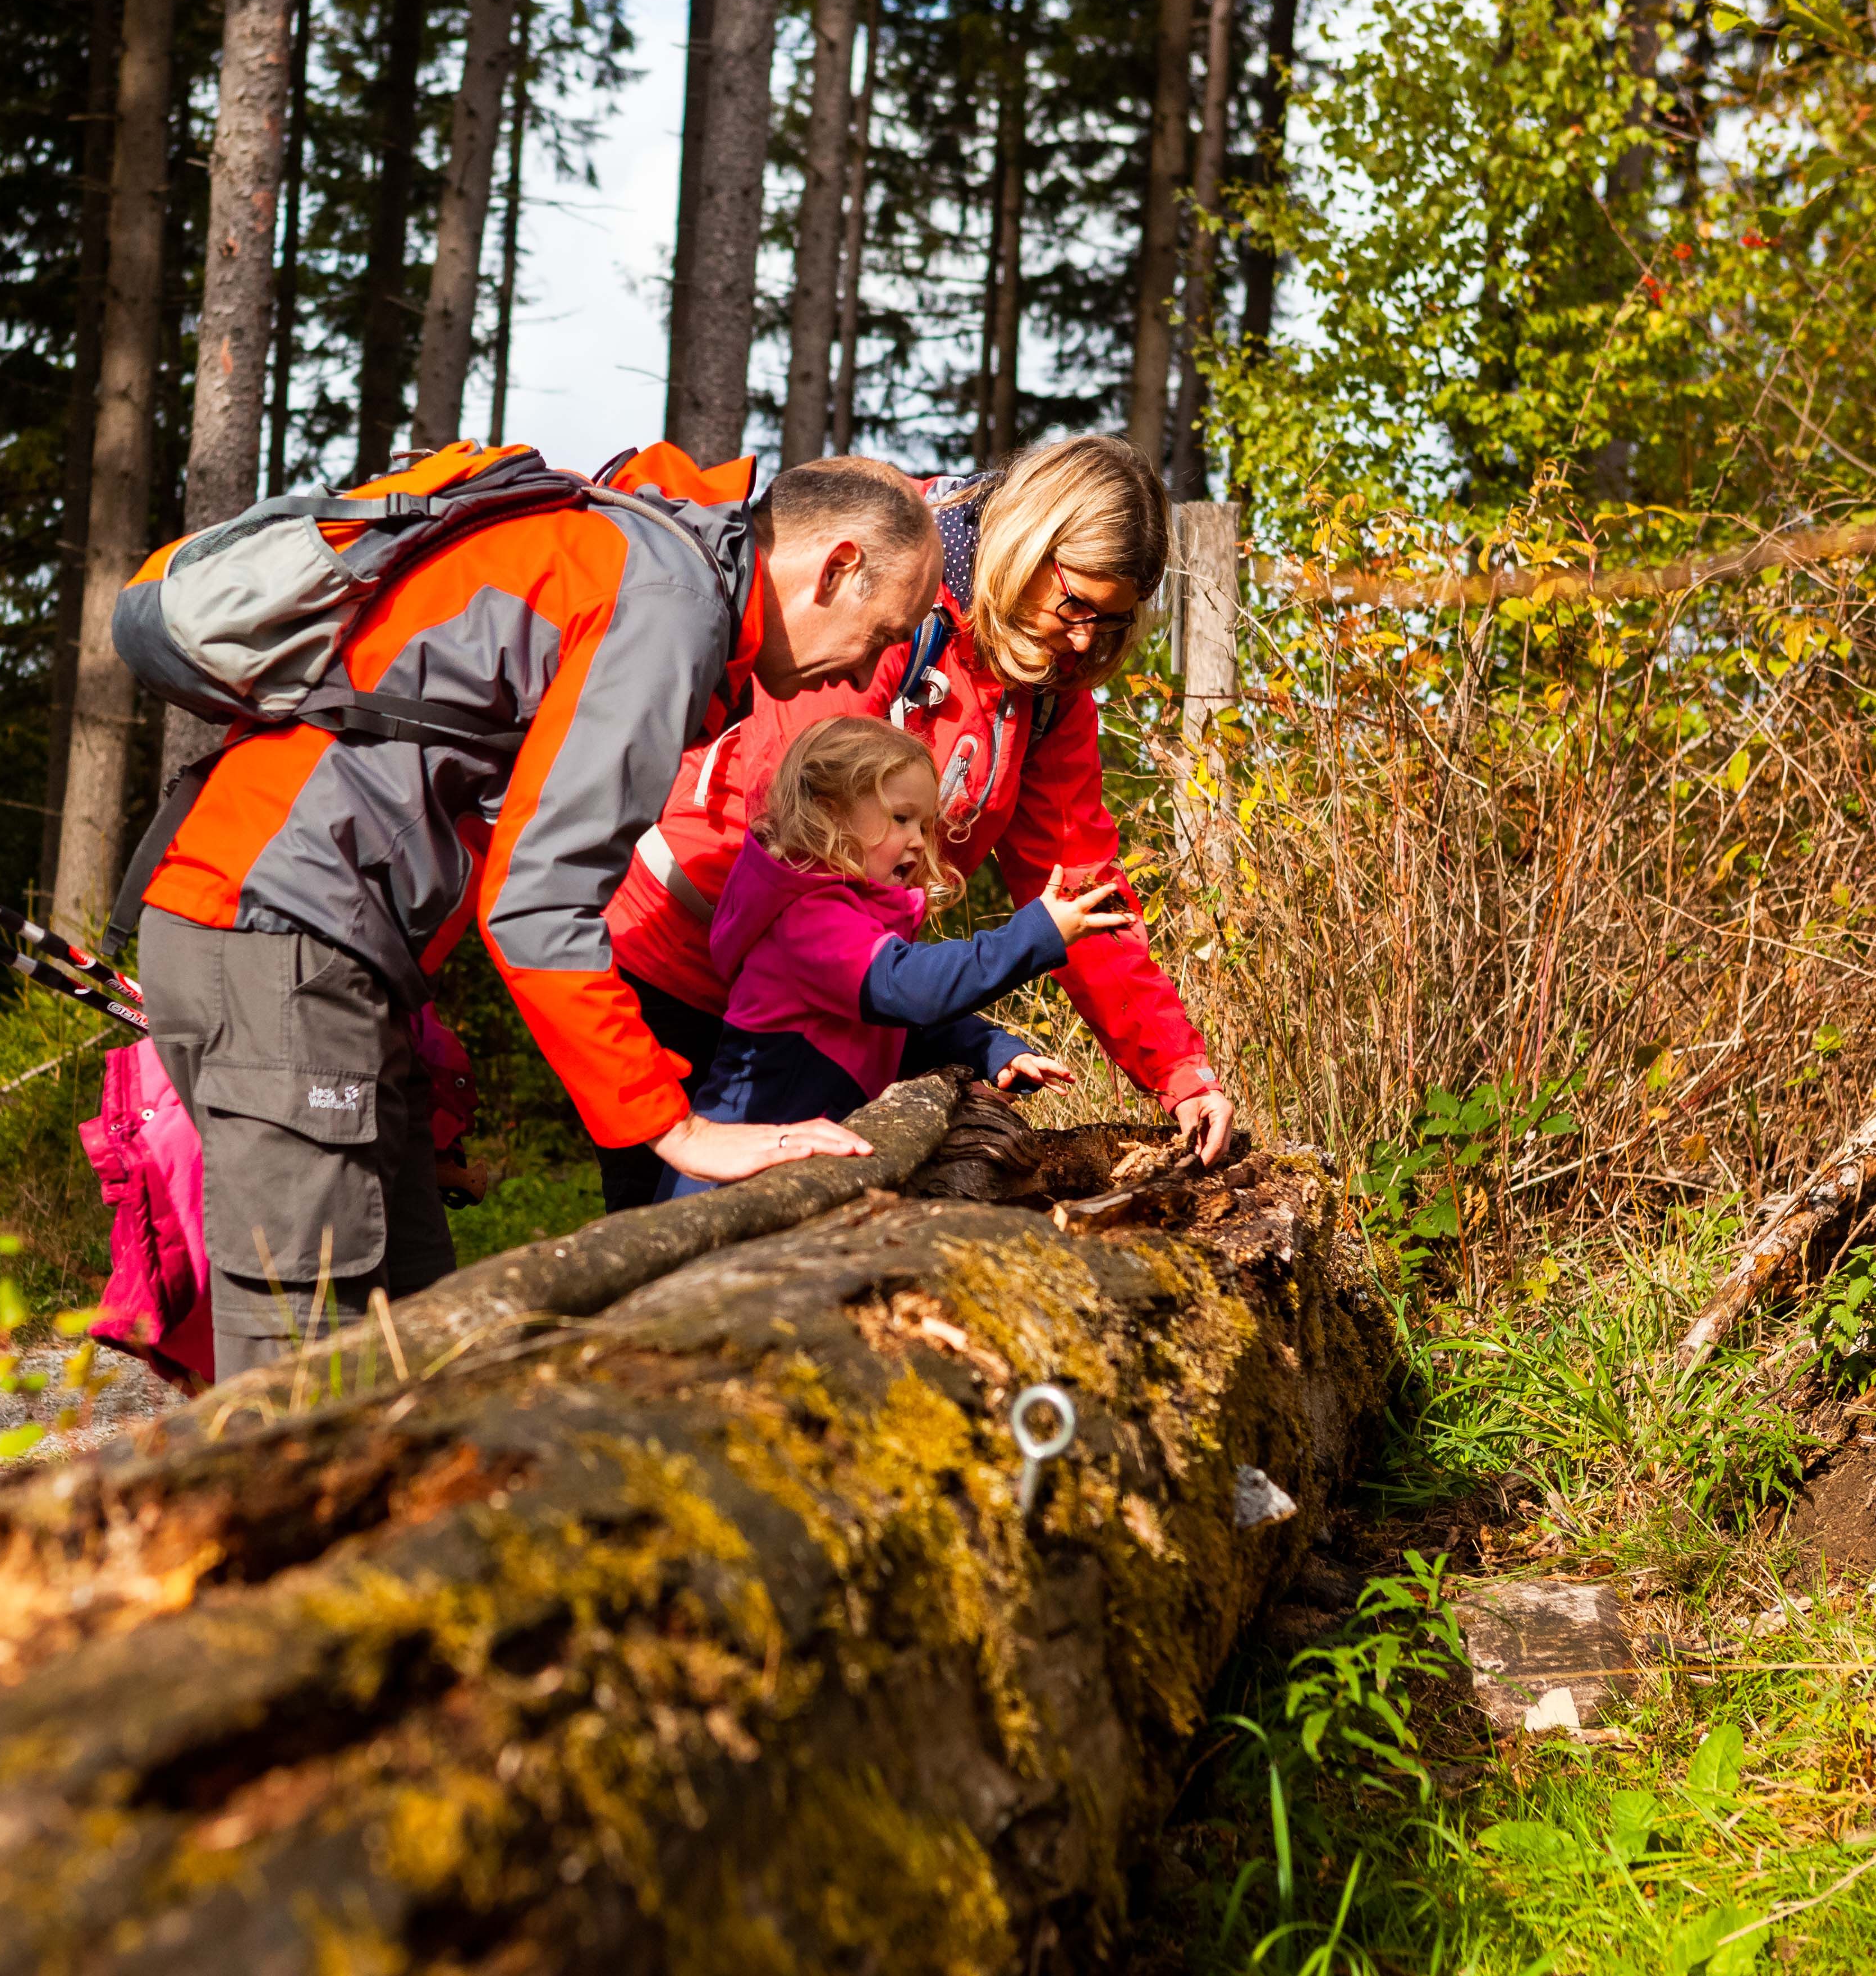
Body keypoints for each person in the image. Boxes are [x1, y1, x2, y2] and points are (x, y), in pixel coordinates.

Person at [132, 443, 941, 1377]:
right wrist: (674, 1127)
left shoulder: (651, 564)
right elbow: (540, 896)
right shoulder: (669, 602)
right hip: (276, 934)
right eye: (886, 631)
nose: (871, 665)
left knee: (422, 1332)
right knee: (314, 1352)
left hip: (321, 948)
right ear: (837, 565)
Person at [600, 434, 1235, 1212]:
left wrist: (1177, 1068)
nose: (1082, 641)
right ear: (1029, 542)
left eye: (1110, 624)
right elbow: (798, 820)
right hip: (681, 965)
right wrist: (1003, 957)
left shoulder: (1049, 691)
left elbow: (1083, 887)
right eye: (1076, 606)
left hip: (829, 1006)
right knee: (670, 1243)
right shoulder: (894, 588)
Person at [666, 717, 1132, 1198]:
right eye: (901, 818)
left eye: (926, 825)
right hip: (730, 1180)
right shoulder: (808, 918)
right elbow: (911, 991)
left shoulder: (855, 918)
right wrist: (1035, 934)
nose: (918, 839)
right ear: (831, 813)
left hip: (790, 1171)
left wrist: (994, 1050)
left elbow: (906, 1027)